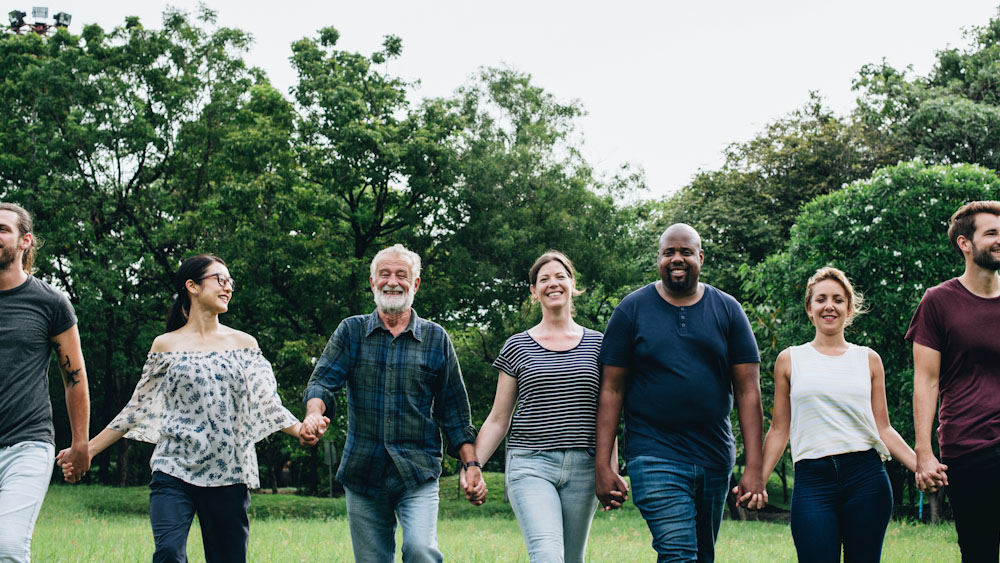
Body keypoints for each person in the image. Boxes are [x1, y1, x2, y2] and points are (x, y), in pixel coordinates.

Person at [59, 254, 309, 563]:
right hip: (173, 469)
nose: (228, 287)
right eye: (220, 279)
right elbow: (135, 410)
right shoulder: (165, 345)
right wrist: (86, 449)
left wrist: (300, 428)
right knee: (168, 554)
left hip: (228, 472)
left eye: (230, 281)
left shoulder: (244, 344)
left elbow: (267, 401)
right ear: (191, 286)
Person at [595, 223, 765, 562]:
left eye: (686, 252)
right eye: (669, 252)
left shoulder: (728, 310)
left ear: (700, 257)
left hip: (715, 456)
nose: (677, 258)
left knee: (700, 555)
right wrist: (603, 463)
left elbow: (748, 391)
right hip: (653, 452)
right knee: (678, 553)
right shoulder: (632, 310)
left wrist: (754, 467)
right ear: (657, 259)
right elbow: (611, 389)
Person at [301, 243, 479, 563]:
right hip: (363, 470)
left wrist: (472, 464)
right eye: (384, 274)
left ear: (416, 284)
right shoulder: (351, 331)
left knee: (421, 551)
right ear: (372, 283)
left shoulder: (436, 338)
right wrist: (314, 414)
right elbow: (323, 382)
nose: (392, 281)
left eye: (401, 274)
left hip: (417, 470)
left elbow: (454, 409)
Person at [757, 267, 917, 562]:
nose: (829, 305)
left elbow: (884, 428)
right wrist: (758, 479)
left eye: (838, 299)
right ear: (809, 309)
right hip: (812, 480)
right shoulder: (789, 360)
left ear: (849, 308)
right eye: (821, 299)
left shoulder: (868, 359)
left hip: (866, 478)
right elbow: (779, 429)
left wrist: (921, 465)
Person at [463, 251, 615, 562]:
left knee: (572, 559)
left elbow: (609, 415)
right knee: (547, 555)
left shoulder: (600, 345)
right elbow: (498, 419)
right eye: (543, 279)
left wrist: (610, 468)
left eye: (560, 276)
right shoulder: (517, 345)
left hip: (584, 469)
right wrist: (472, 465)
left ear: (573, 284)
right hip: (530, 465)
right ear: (534, 292)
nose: (552, 283)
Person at [906, 200, 1000, 562]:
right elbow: (926, 382)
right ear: (965, 243)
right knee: (979, 553)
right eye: (990, 233)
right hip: (969, 448)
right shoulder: (938, 302)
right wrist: (924, 453)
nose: (998, 240)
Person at [0, 202, 91, 562]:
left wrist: (80, 443)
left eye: (2, 229)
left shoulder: (50, 302)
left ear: (26, 241)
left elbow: (75, 377)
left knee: (6, 547)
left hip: (27, 443)